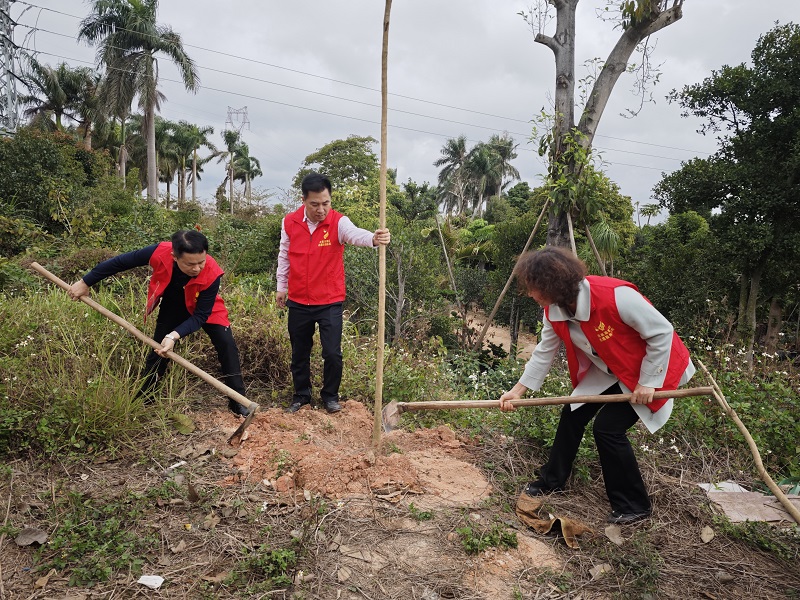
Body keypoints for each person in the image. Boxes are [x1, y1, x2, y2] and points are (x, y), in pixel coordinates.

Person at [498, 247, 695, 524]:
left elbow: (662, 332)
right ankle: (551, 481)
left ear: (553, 284)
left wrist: (649, 382)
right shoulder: (552, 310)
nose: (530, 294)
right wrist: (517, 391)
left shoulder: (616, 296)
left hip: (652, 369)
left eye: (534, 287)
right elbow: (545, 351)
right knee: (573, 413)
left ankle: (634, 505)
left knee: (607, 429)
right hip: (612, 369)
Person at [67, 229, 250, 417]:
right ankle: (147, 396)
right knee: (159, 348)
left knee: (227, 345)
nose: (197, 268)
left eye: (201, 262)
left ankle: (238, 402)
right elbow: (120, 262)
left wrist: (174, 335)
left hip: (204, 307)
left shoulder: (212, 272)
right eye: (190, 264)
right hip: (173, 303)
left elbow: (200, 316)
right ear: (174, 256)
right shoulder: (159, 251)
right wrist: (86, 282)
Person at [276, 172, 391, 414]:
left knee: (332, 353)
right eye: (315, 204)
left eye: (326, 203)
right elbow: (284, 256)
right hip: (298, 300)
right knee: (299, 352)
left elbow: (355, 234)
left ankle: (330, 396)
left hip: (329, 301)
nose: (321, 209)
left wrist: (373, 238)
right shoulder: (289, 223)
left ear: (330, 199)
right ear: (304, 200)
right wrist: (281, 287)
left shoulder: (338, 222)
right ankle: (301, 396)